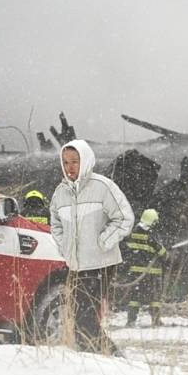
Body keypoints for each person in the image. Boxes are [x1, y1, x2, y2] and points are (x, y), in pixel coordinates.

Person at [49, 139, 134, 355]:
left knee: (82, 318)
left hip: (101, 264)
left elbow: (124, 218)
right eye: (66, 162)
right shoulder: (60, 193)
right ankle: (99, 358)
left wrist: (103, 242)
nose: (70, 167)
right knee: (79, 319)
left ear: (85, 161)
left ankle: (111, 357)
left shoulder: (102, 187)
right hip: (76, 265)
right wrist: (64, 247)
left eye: (75, 162)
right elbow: (56, 225)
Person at [122, 208, 168, 327]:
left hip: (135, 272)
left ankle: (131, 320)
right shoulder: (151, 235)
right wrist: (166, 253)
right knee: (155, 298)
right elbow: (161, 252)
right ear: (153, 221)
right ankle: (156, 320)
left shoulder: (133, 232)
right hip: (152, 272)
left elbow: (128, 249)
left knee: (134, 298)